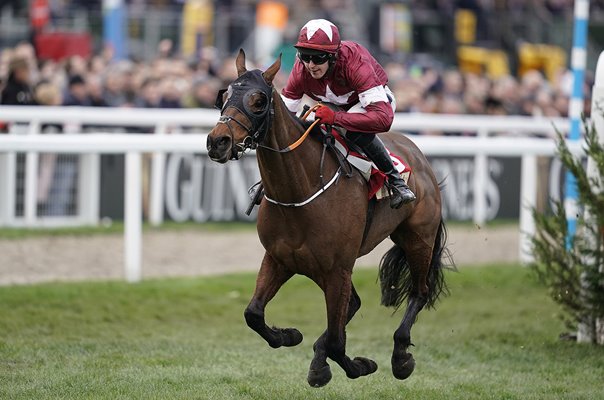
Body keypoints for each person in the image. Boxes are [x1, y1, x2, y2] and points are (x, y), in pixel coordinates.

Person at [281, 19, 416, 208]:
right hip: (334, 107)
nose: (310, 65)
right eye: (305, 55)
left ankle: (396, 181)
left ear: (333, 56)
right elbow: (282, 117)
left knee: (353, 131)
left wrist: (336, 118)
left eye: (318, 58)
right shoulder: (301, 68)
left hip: (370, 104)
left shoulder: (355, 61)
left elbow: (383, 119)